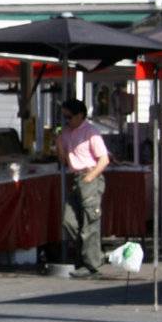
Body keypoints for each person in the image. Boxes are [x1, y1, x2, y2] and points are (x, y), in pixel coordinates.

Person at [57, 98, 109, 275]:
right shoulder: (66, 133)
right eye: (64, 117)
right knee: (69, 221)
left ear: (80, 116)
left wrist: (90, 178)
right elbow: (64, 160)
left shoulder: (91, 132)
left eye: (69, 117)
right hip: (75, 177)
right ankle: (84, 258)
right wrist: (59, 145)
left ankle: (92, 265)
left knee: (90, 223)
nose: (66, 121)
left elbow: (104, 159)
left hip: (89, 176)